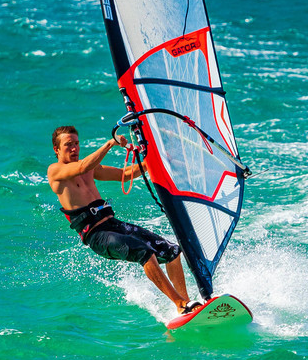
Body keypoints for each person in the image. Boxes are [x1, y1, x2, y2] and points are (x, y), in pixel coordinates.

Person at [47, 124, 198, 316]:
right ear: (57, 149)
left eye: (77, 143)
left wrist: (150, 163)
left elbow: (123, 174)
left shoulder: (89, 170)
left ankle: (187, 304)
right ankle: (179, 304)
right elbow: (83, 166)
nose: (75, 148)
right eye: (69, 145)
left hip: (114, 225)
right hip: (97, 235)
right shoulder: (55, 171)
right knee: (144, 252)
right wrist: (111, 143)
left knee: (172, 251)